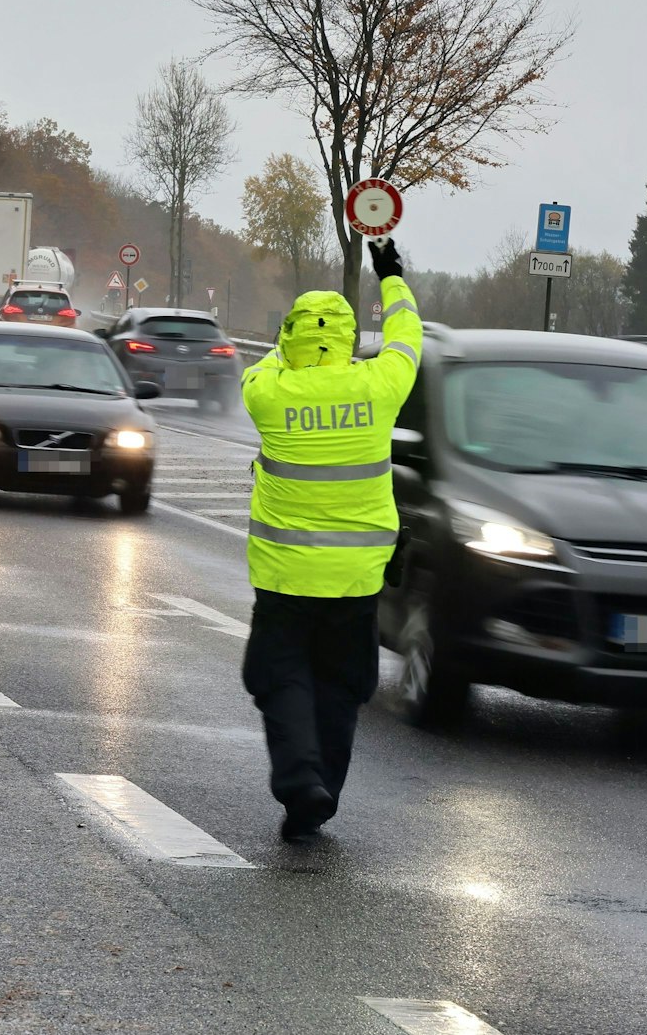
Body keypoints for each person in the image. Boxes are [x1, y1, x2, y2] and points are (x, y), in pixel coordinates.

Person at [238, 237, 421, 841]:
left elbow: (265, 361)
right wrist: (390, 275)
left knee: (280, 677)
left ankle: (300, 780)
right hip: (356, 579)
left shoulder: (268, 392)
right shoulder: (379, 388)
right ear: (348, 341)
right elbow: (406, 338)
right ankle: (323, 795)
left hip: (285, 576)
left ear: (291, 338)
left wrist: (289, 343)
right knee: (341, 688)